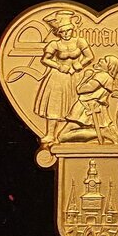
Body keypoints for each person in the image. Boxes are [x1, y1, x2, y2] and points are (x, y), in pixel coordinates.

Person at [33, 10, 93, 145]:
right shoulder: (54, 44)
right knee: (55, 105)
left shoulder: (80, 42)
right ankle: (50, 134)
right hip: (58, 77)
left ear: (72, 29)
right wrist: (59, 66)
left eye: (68, 31)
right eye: (62, 32)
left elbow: (89, 57)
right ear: (58, 32)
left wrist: (78, 65)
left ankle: (74, 131)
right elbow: (45, 59)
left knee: (77, 104)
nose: (66, 34)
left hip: (76, 76)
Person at [60, 56, 118, 143]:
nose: (101, 59)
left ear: (110, 67)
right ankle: (100, 134)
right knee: (64, 135)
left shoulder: (103, 76)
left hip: (85, 108)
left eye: (105, 60)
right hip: (91, 107)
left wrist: (85, 77)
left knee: (63, 136)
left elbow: (81, 89)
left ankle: (101, 133)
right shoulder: (106, 77)